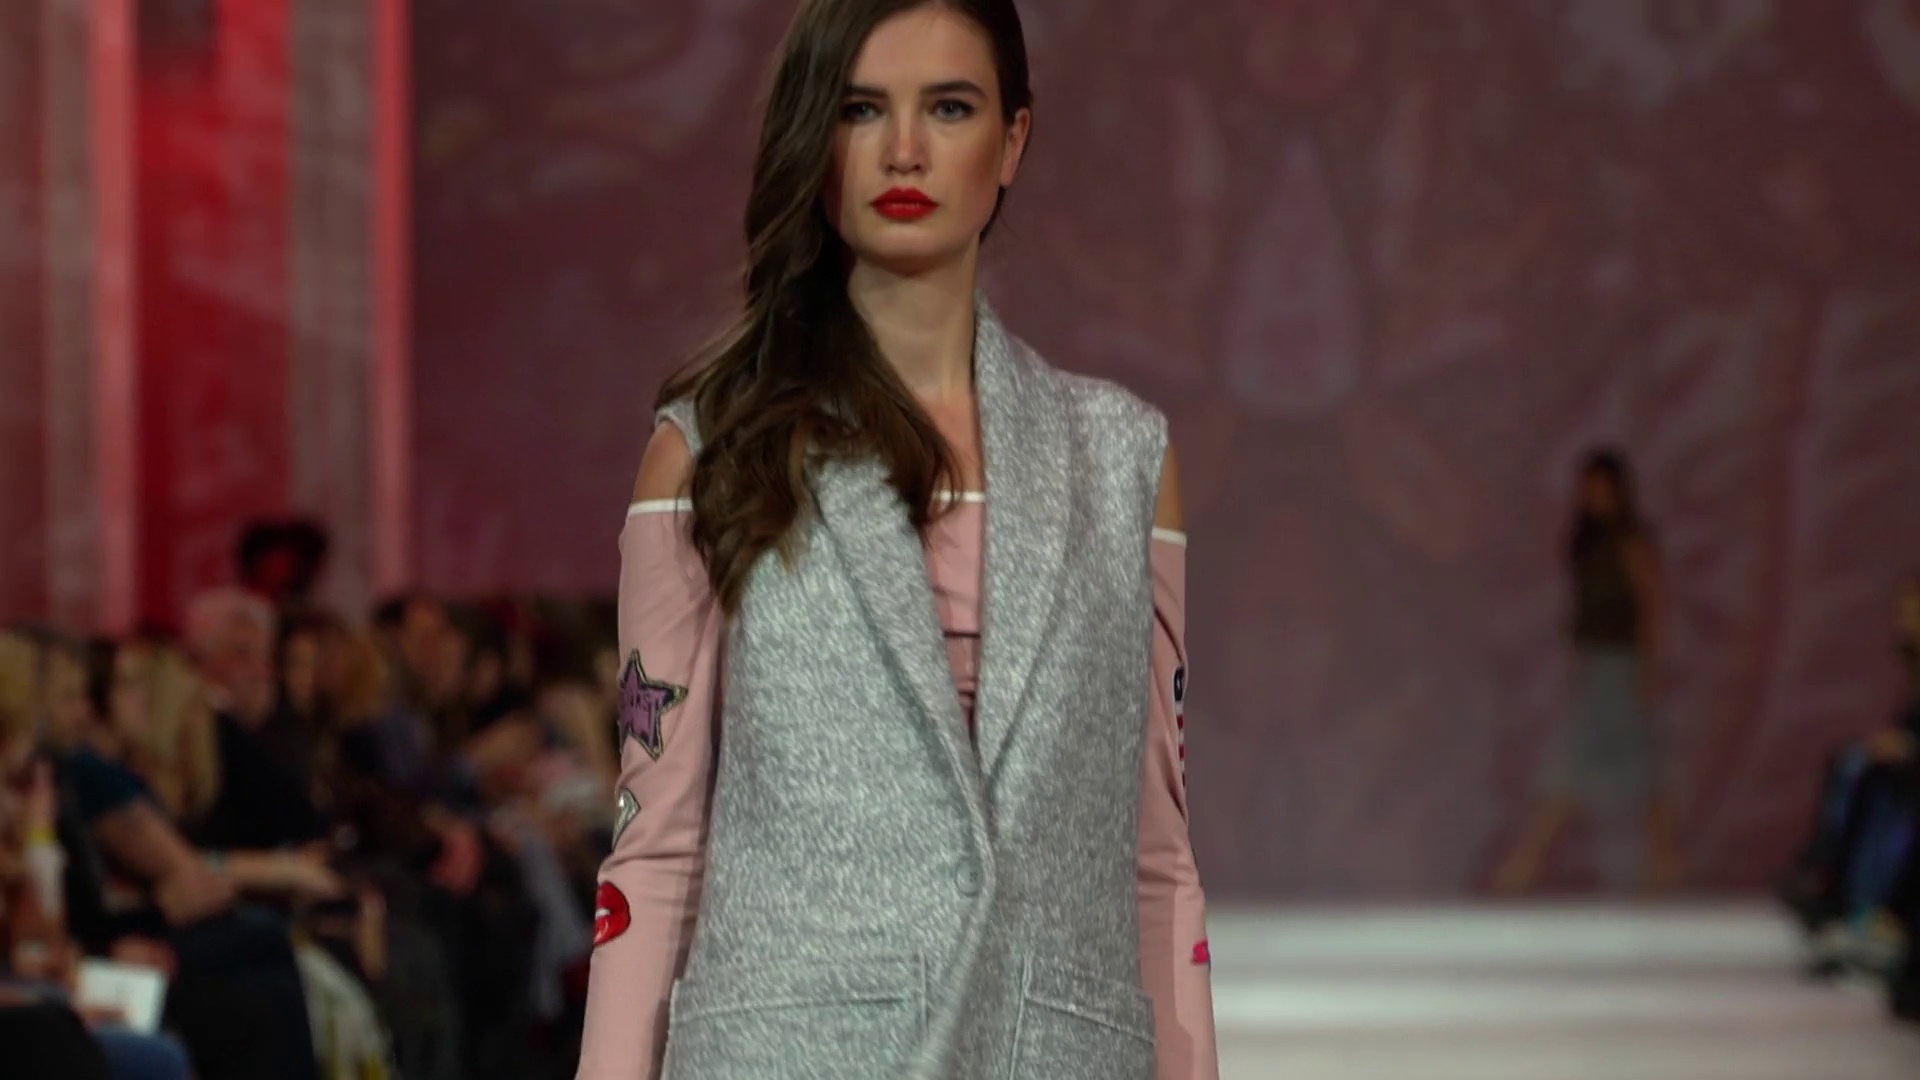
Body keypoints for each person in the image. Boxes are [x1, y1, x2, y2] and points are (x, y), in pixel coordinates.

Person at [575, 2, 1217, 1077]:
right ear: (812, 135)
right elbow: (657, 845)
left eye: (949, 108)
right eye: (861, 109)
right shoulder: (711, 450)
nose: (904, 150)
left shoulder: (1121, 464)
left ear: (1013, 140)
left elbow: (1154, 858)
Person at [1494, 449, 1680, 893]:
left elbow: (1650, 608)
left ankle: (1529, 861)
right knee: (1589, 760)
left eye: (1600, 487)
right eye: (1587, 488)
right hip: (1597, 665)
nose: (1593, 496)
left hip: (1623, 665)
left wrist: (1648, 670)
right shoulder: (1589, 544)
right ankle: (1531, 860)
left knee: (1623, 762)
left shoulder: (1631, 541)